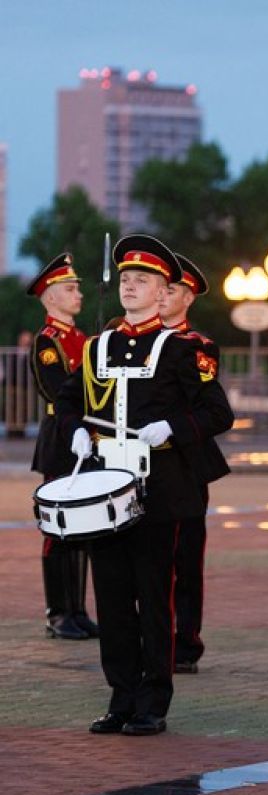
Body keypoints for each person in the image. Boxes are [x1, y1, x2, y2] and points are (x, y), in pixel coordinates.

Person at [57, 234, 234, 736]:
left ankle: (153, 701)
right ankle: (120, 697)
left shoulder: (182, 351)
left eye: (144, 282)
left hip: (163, 491)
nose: (132, 288)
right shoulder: (98, 347)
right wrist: (73, 431)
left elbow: (217, 412)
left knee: (155, 598)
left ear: (164, 293)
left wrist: (174, 429)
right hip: (106, 491)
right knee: (112, 599)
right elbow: (71, 401)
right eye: (127, 281)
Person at [160, 253, 230, 674]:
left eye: (170, 290)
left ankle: (185, 640)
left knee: (184, 558)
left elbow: (212, 412)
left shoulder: (197, 347)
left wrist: (172, 428)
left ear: (186, 297)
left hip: (184, 463)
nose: (161, 296)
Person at [26, 253, 99, 640]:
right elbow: (56, 388)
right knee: (59, 529)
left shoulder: (84, 340)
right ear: (51, 297)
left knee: (84, 528)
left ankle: (78, 609)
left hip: (87, 435)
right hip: (62, 438)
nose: (78, 295)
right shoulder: (48, 341)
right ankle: (58, 612)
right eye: (70, 289)